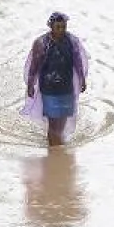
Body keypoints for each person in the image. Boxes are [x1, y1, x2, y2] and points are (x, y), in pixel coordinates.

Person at [20, 11, 90, 147]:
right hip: (49, 89)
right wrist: (30, 84)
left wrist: (82, 79)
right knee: (53, 124)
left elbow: (78, 62)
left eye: (63, 27)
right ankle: (54, 150)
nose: (61, 30)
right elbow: (34, 66)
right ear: (51, 26)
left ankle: (55, 145)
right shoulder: (41, 43)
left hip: (66, 88)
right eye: (58, 27)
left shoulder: (72, 42)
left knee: (61, 123)